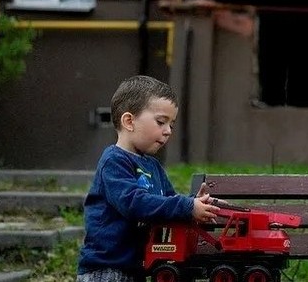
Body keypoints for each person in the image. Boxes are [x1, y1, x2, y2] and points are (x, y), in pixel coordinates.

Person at [76, 75, 220, 282]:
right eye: (161, 122)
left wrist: (193, 205)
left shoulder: (153, 166)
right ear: (129, 121)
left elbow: (167, 202)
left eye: (171, 124)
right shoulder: (114, 161)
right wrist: (186, 206)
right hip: (107, 270)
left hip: (138, 269)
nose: (168, 131)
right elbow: (134, 203)